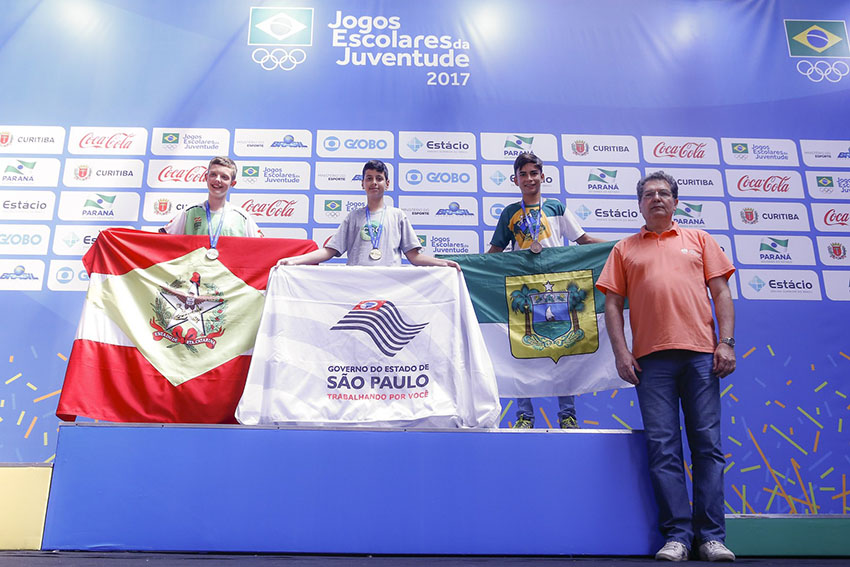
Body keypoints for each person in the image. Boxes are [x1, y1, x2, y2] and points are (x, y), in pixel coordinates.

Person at [595, 171, 736, 562]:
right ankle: (676, 535)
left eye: (664, 193)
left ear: (675, 202)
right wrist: (622, 353)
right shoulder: (624, 249)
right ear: (639, 204)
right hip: (650, 362)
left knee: (707, 447)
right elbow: (611, 305)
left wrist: (726, 342)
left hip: (701, 357)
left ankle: (711, 538)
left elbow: (721, 292)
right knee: (663, 449)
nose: (656, 198)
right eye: (649, 194)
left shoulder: (700, 240)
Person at [487, 152, 604, 429]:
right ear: (515, 180)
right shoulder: (509, 213)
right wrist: (465, 268)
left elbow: (583, 240)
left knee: (563, 349)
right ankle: (524, 415)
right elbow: (493, 253)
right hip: (524, 291)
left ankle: (568, 415)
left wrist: (621, 246)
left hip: (558, 291)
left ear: (542, 176)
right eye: (523, 174)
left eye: (534, 173)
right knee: (523, 351)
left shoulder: (556, 208)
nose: (529, 179)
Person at [279, 159, 458, 270]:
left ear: (387, 184)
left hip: (390, 285)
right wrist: (295, 261)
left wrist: (443, 263)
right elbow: (329, 251)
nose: (374, 182)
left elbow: (414, 257)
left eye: (379, 178)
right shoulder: (353, 217)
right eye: (369, 178)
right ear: (362, 184)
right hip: (357, 285)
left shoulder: (398, 216)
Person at [161, 156, 263, 244]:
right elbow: (162, 241)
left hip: (228, 267)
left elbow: (262, 247)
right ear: (206, 177)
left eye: (224, 177)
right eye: (213, 174)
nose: (217, 180)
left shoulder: (241, 216)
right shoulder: (190, 212)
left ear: (232, 184)